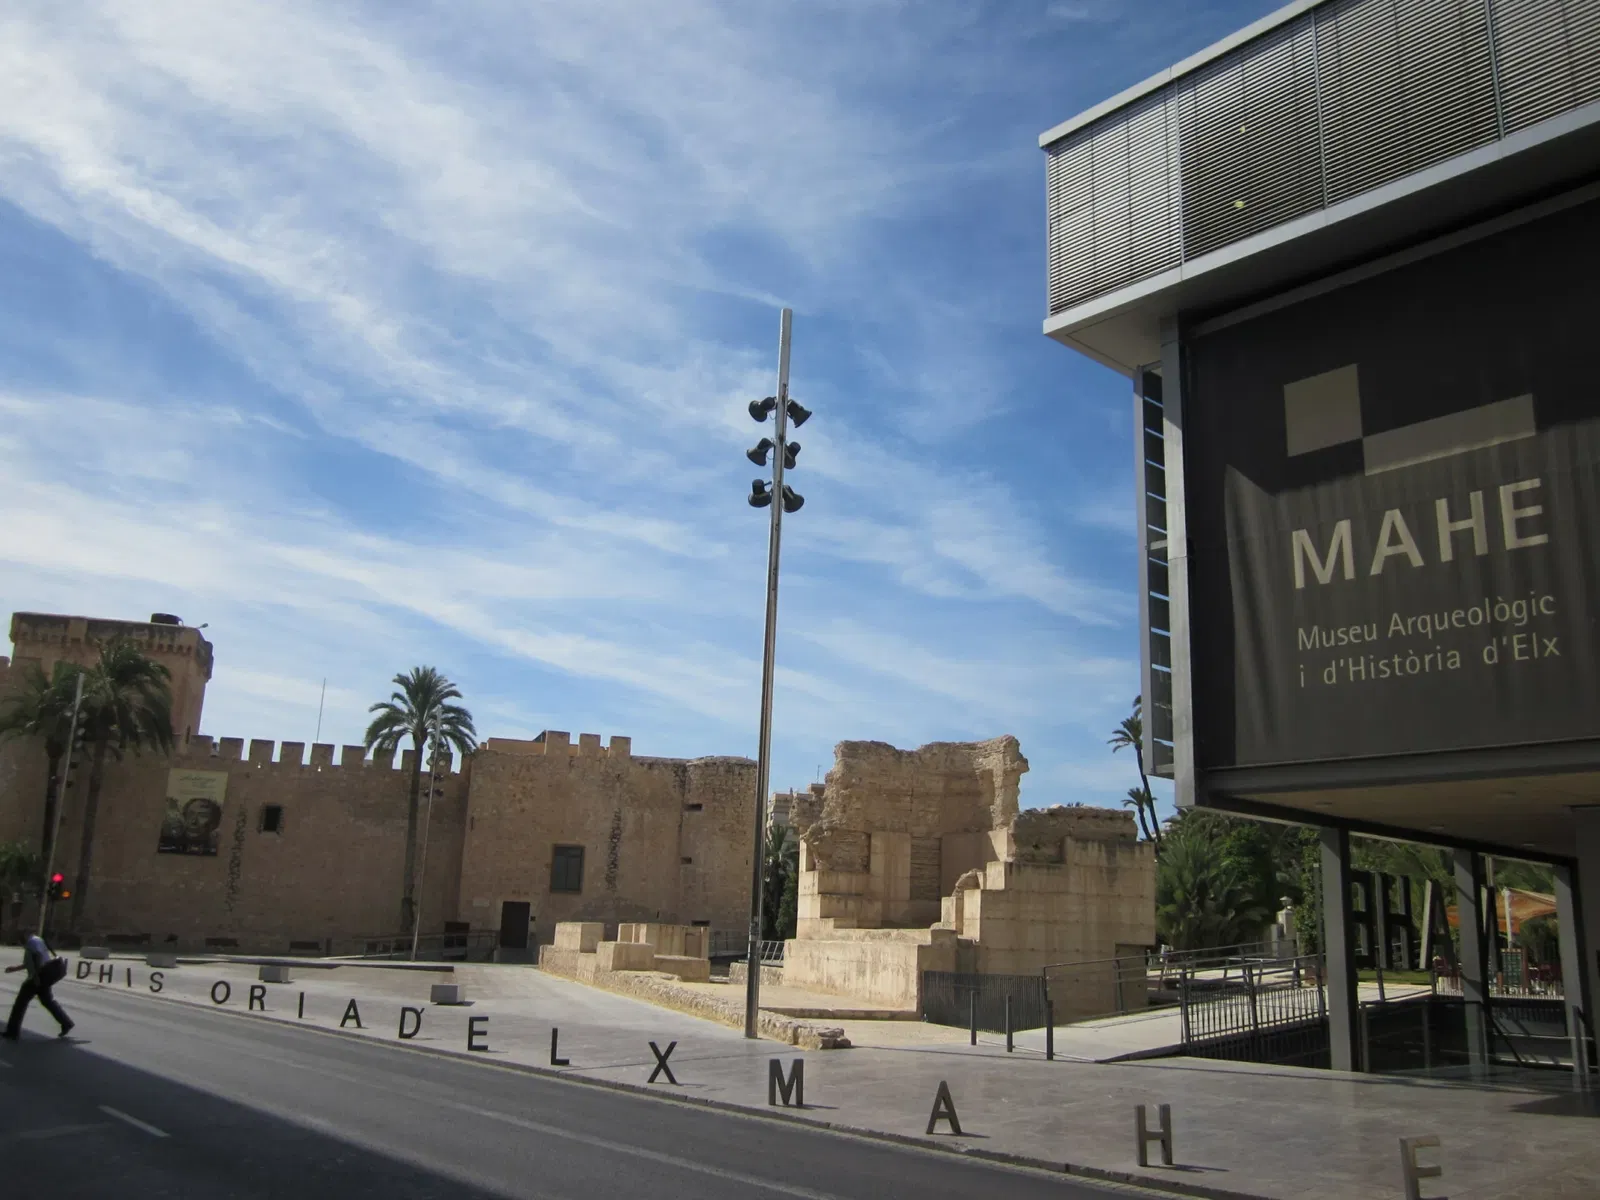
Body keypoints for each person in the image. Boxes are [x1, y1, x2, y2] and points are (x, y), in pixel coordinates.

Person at [3, 932, 74, 1040]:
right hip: (43, 976)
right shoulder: (37, 940)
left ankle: (12, 1032)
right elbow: (31, 962)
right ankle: (66, 1023)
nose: (21, 944)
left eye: (19, 942)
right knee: (47, 1001)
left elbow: (38, 957)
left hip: (37, 977)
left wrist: (36, 976)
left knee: (20, 1004)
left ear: (23, 938)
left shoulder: (32, 942)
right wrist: (15, 969)